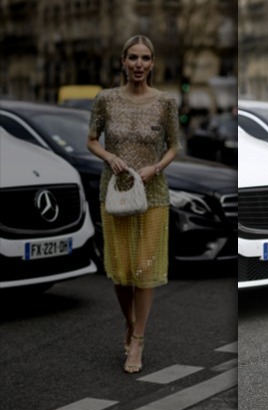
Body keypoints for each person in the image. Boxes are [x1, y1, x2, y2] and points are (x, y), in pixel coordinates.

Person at [87, 35, 180, 374]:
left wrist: (156, 166)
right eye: (133, 58)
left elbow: (173, 146)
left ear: (152, 64)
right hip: (114, 192)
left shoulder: (166, 101)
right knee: (120, 270)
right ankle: (129, 320)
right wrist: (110, 156)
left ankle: (138, 339)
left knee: (144, 269)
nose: (139, 64)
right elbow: (91, 139)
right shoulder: (106, 100)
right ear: (123, 62)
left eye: (145, 58)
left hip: (153, 194)